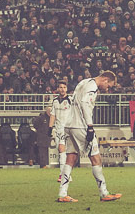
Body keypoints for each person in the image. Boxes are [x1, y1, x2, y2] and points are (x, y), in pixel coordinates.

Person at [57, 70, 122, 203]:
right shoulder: (92, 87)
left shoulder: (84, 82)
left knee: (71, 157)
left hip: (69, 124)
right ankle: (104, 193)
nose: (107, 89)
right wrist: (90, 126)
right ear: (105, 80)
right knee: (96, 158)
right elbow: (85, 104)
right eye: (108, 86)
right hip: (81, 126)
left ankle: (62, 193)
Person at [49, 81, 73, 173]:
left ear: (66, 89)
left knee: (62, 149)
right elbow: (53, 115)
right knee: (60, 151)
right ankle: (67, 174)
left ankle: (63, 174)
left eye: (64, 87)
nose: (62, 89)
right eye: (61, 87)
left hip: (66, 129)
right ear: (58, 89)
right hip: (58, 129)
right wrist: (50, 128)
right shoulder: (55, 101)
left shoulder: (70, 100)